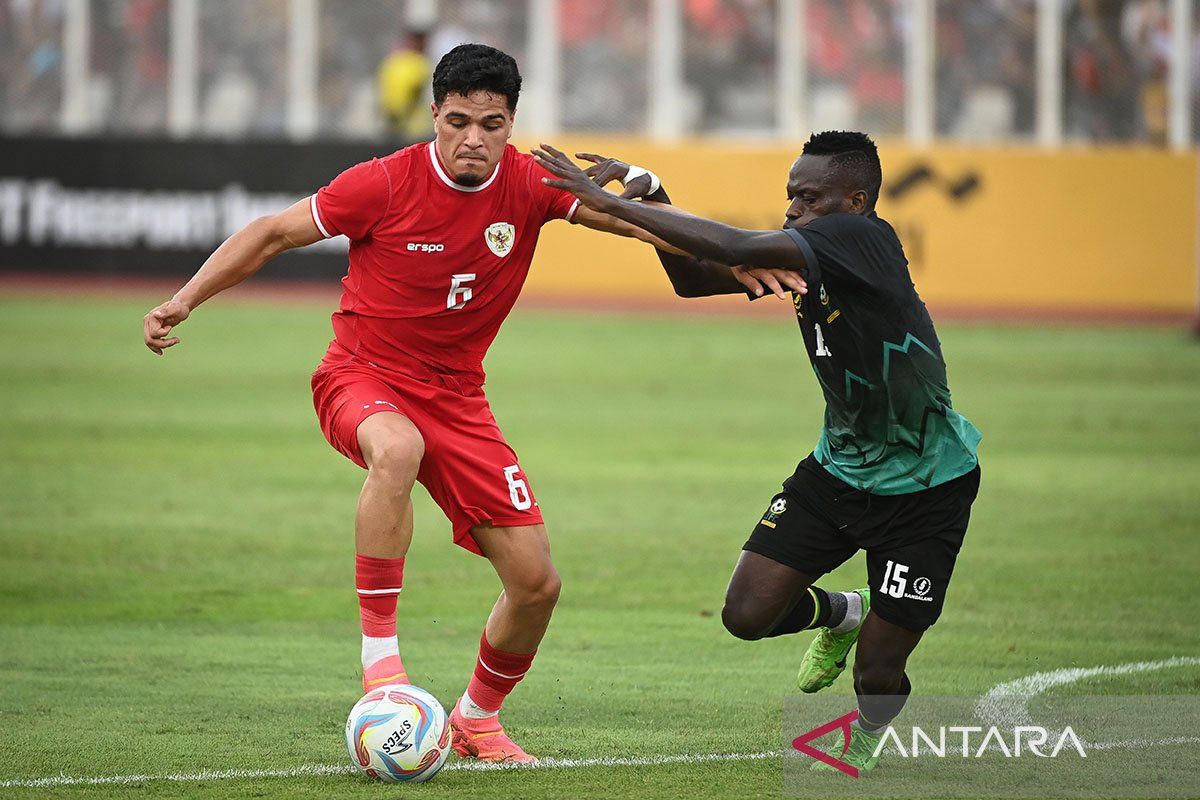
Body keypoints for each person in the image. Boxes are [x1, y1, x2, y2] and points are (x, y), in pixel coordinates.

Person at [142, 43, 686, 765]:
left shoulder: (529, 182)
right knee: (398, 449)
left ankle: (476, 722)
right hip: (362, 376)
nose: (472, 139)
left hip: (459, 399)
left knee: (536, 583)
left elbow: (627, 222)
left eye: (491, 124)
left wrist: (716, 243)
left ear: (510, 123)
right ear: (434, 115)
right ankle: (381, 666)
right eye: (457, 120)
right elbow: (273, 233)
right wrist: (184, 300)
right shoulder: (382, 183)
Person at [532, 131, 982, 772]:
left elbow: (739, 244)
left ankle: (866, 741)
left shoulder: (867, 240)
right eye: (790, 196)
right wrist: (653, 188)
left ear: (856, 202)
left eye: (811, 198)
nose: (794, 210)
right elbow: (694, 278)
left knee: (878, 675)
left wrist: (611, 204)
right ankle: (841, 611)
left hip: (927, 489)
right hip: (839, 472)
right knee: (746, 615)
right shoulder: (813, 256)